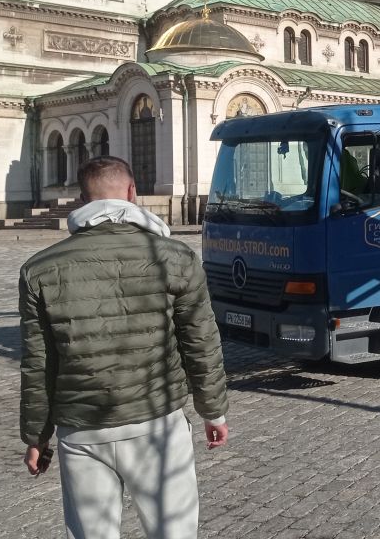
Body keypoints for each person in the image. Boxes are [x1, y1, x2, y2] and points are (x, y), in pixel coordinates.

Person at [19, 156, 229, 538]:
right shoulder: (176, 258)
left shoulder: (40, 269)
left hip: (82, 432)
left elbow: (38, 363)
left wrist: (36, 436)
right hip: (157, 424)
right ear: (133, 193)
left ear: (82, 200)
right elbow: (200, 340)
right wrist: (212, 411)